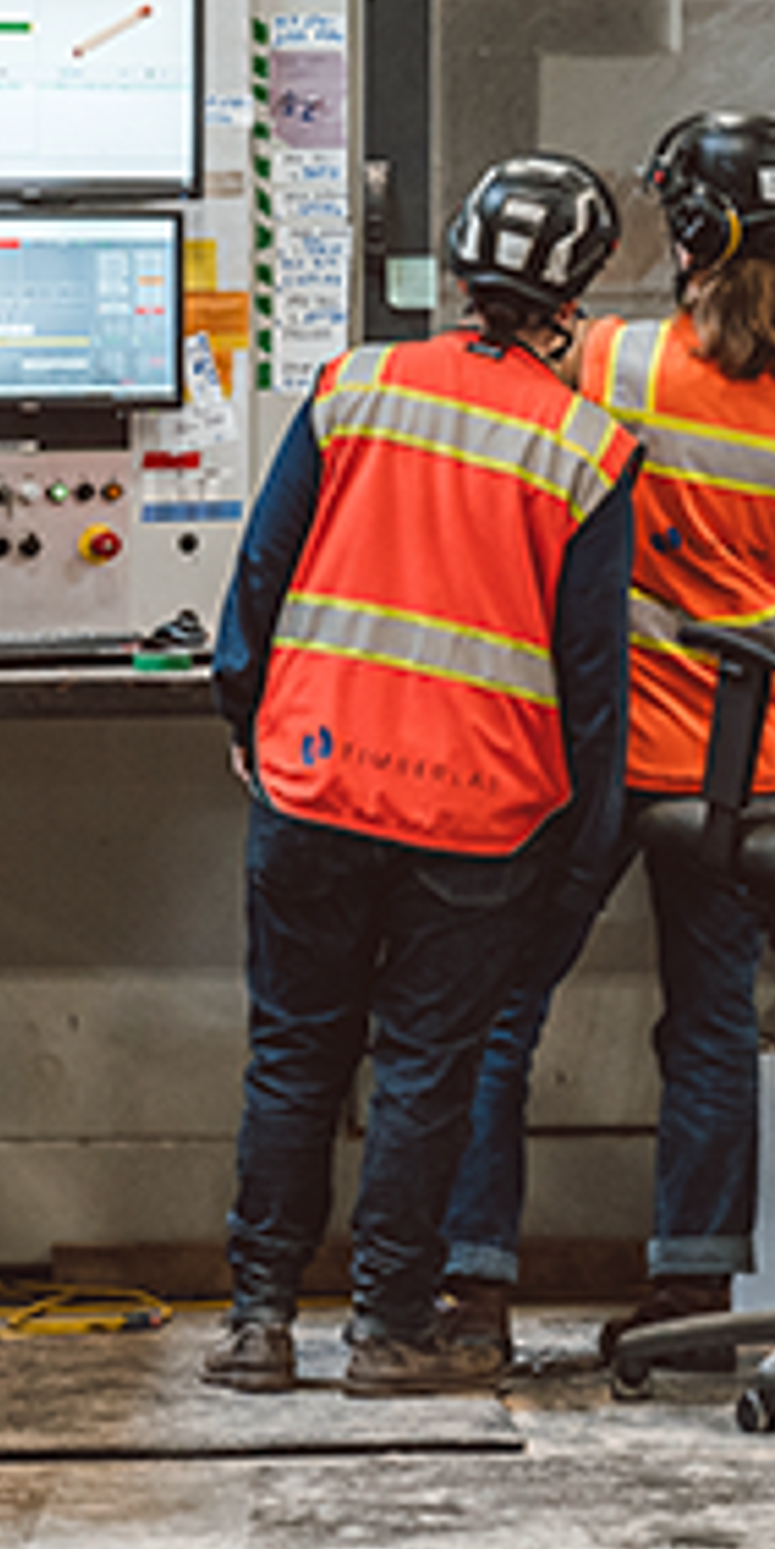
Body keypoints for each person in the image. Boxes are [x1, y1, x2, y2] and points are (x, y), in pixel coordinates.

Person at [436, 110, 775, 1361]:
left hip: (592, 751)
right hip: (742, 771)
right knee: (709, 1029)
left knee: (499, 1009)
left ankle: (470, 1289)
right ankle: (690, 1299)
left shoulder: (612, 363)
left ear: (682, 232)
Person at [202, 153, 640, 1397]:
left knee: (292, 1054)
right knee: (423, 1069)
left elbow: (261, 575)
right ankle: (390, 1330)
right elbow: (591, 684)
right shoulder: (588, 448)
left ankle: (255, 1323)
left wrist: (249, 712)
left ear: (454, 265)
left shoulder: (354, 388)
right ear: (577, 296)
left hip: (314, 781)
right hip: (481, 819)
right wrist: (585, 850)